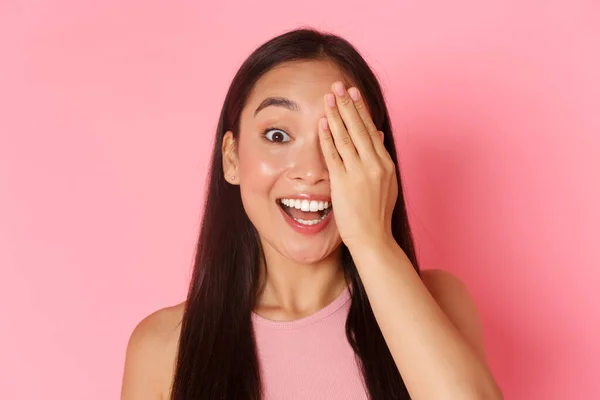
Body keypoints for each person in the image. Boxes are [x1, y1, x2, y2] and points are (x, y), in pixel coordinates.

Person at [120, 28, 502, 400]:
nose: (312, 170)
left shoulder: (437, 301)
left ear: (377, 161)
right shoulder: (162, 347)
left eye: (341, 139)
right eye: (277, 136)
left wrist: (373, 243)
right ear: (232, 157)